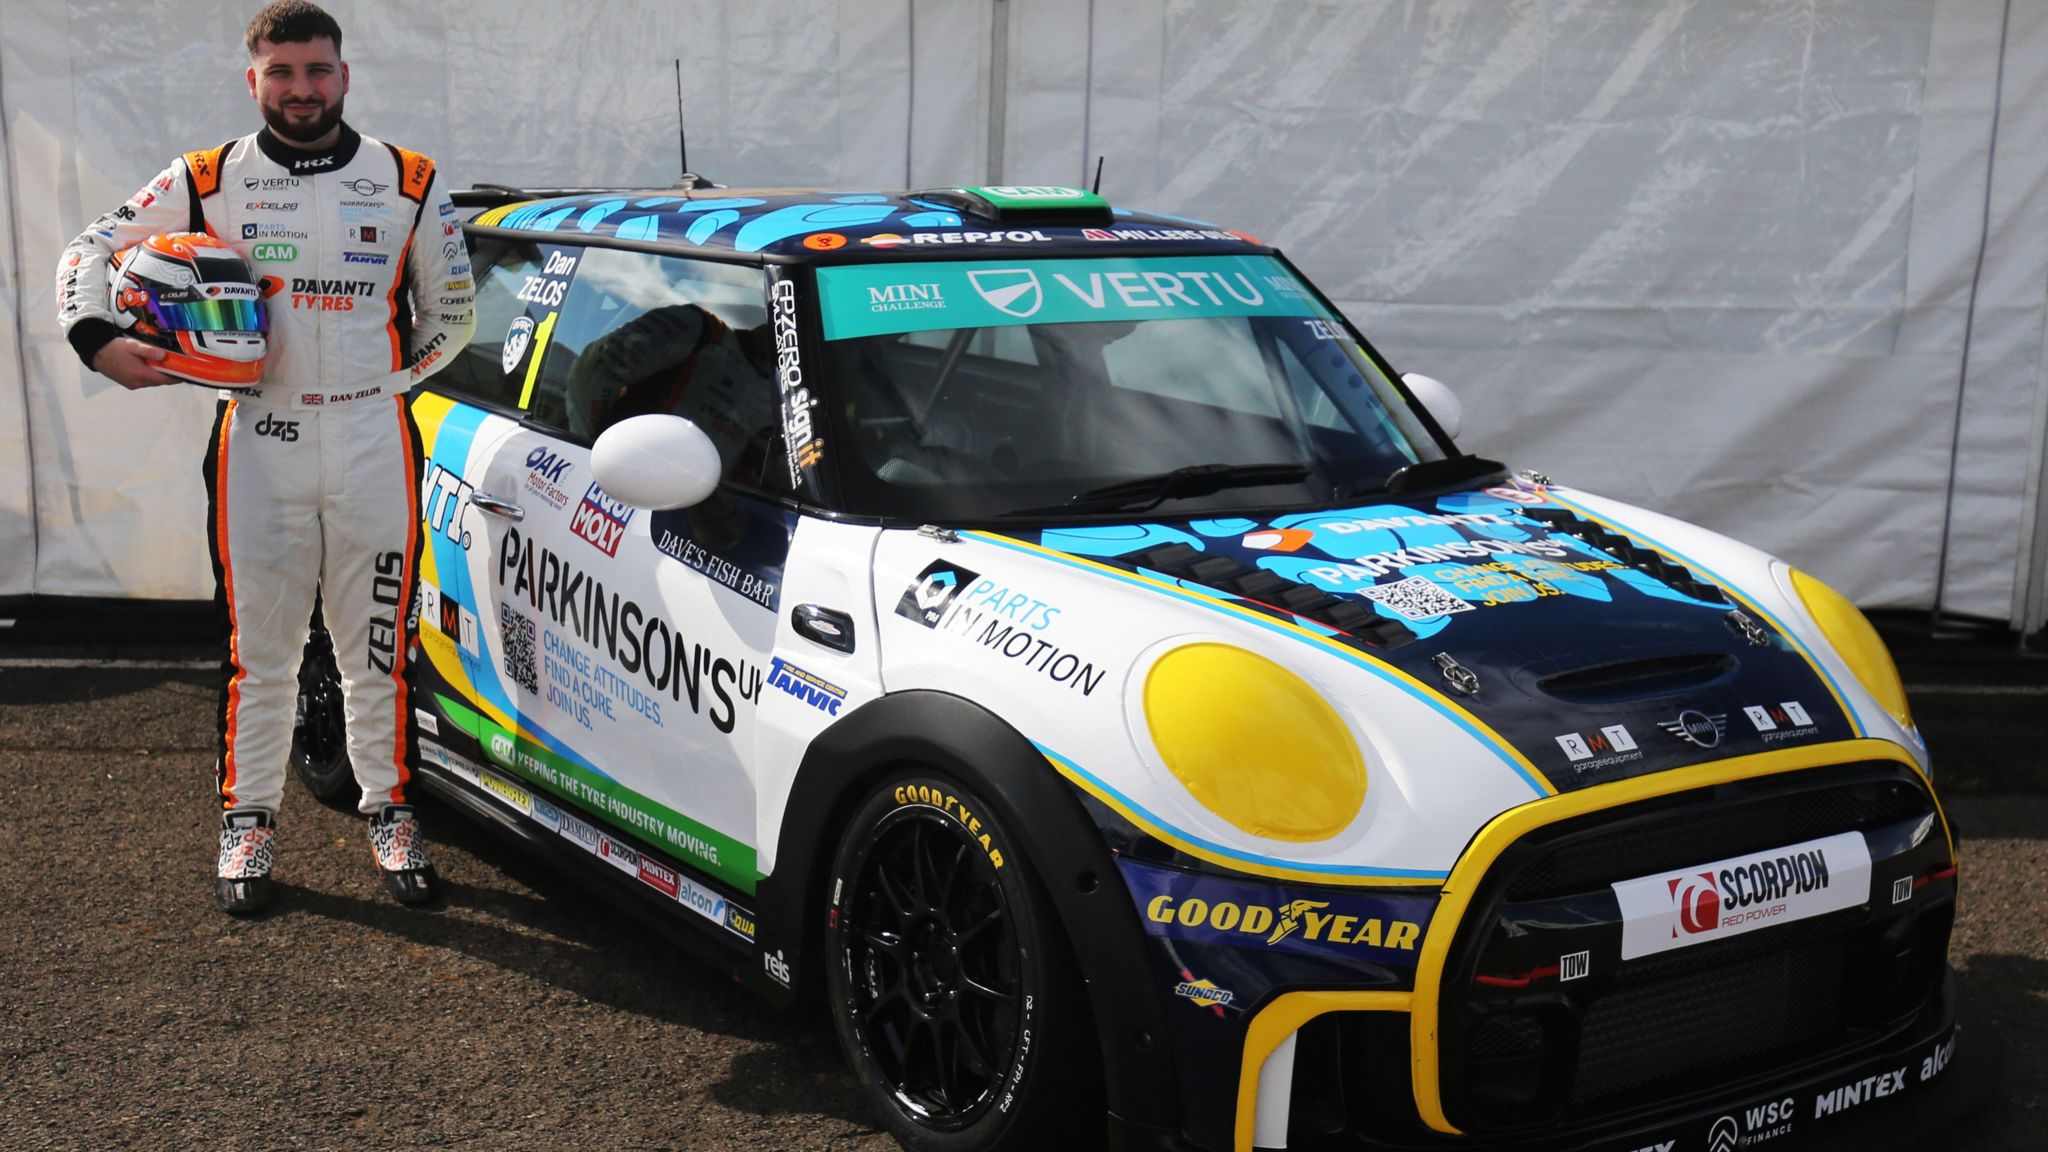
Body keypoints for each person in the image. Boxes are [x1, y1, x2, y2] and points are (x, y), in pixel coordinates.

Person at [54, 0, 475, 914]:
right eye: (281, 73)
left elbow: (455, 316)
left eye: (317, 70)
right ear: (255, 80)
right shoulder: (207, 177)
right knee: (262, 653)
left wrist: (387, 382)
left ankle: (390, 809)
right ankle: (248, 821)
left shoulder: (409, 177)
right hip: (258, 434)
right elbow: (89, 248)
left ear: (345, 75)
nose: (300, 89)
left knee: (377, 645)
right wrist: (98, 339)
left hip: (373, 439)